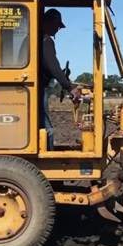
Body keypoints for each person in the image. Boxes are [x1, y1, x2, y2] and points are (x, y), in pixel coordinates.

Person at [40, 8, 81, 150]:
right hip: (37, 90)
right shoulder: (46, 41)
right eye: (57, 25)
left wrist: (62, 76)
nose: (58, 29)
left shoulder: (37, 39)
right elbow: (53, 66)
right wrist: (70, 87)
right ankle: (48, 159)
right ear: (48, 22)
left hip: (37, 89)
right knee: (46, 128)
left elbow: (48, 67)